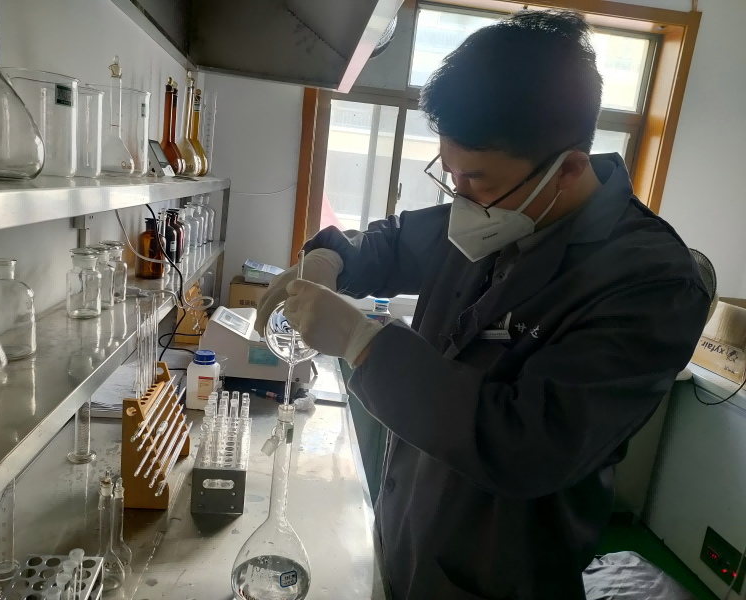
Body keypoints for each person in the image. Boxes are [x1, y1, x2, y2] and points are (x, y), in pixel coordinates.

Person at [256, 9, 709, 600]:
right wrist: (331, 258)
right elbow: (393, 242)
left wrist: (364, 344)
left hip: (499, 577)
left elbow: (527, 444)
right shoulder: (500, 208)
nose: (460, 198)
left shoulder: (651, 283)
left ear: (568, 169)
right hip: (408, 537)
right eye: (450, 173)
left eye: (477, 179)